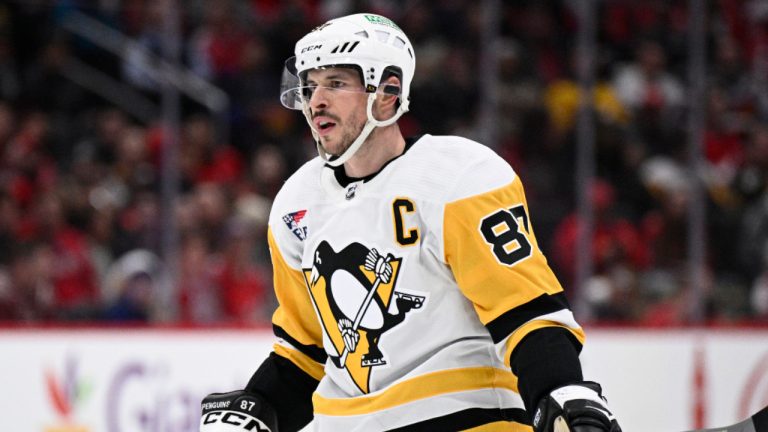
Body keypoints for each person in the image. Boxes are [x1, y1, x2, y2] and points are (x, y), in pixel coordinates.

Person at [200, 13, 621, 432]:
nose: (316, 101)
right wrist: (259, 405)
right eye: (310, 86)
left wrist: (561, 389)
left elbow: (526, 312)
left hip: (464, 416)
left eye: (336, 83)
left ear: (388, 93)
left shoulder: (459, 176)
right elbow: (306, 350)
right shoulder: (296, 204)